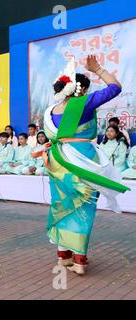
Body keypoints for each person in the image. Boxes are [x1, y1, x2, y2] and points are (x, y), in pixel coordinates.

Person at [41, 55, 129, 276]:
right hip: (82, 162)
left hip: (57, 162)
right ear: (80, 89)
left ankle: (64, 256)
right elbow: (115, 87)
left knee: (63, 204)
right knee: (83, 207)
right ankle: (79, 260)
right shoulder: (83, 103)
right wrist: (98, 68)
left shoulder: (49, 111)